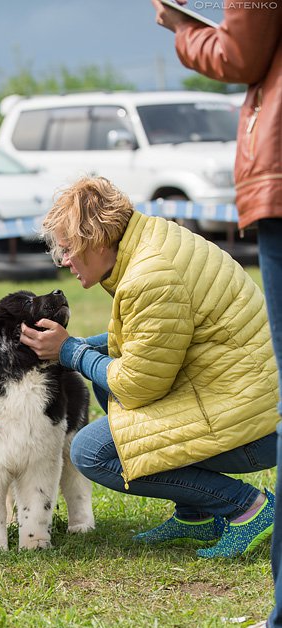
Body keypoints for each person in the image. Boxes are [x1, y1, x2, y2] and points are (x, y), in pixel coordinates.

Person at [20, 176, 278, 562]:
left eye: (68, 247)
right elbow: (153, 341)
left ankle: (247, 507)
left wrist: (71, 350)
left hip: (253, 427)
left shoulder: (151, 275)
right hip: (241, 397)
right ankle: (196, 515)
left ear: (97, 238)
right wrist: (83, 346)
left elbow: (138, 385)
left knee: (92, 453)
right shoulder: (149, 241)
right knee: (105, 383)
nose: (63, 260)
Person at [151, 0, 282, 628]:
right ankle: (197, 508)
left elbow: (241, 54)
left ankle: (242, 515)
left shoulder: (152, 273)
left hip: (244, 417)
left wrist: (182, 29)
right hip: (232, 403)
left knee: (98, 446)